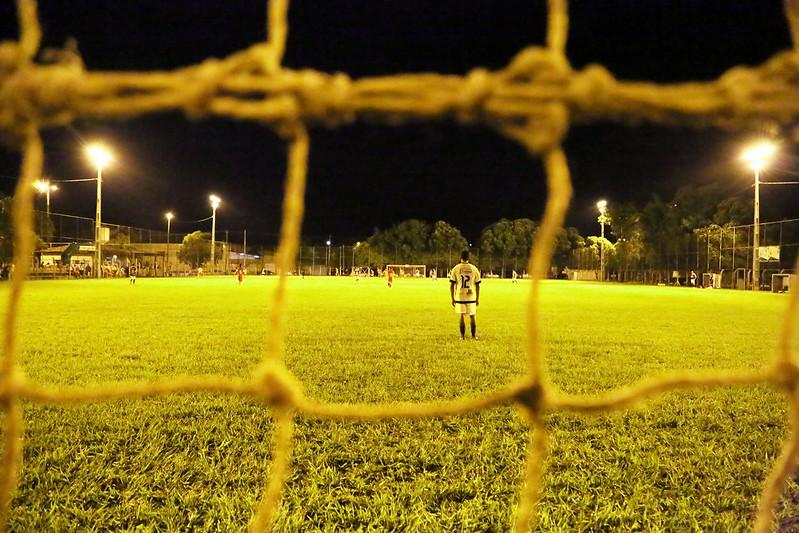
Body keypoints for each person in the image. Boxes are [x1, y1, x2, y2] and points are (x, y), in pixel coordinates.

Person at [450, 250, 481, 340]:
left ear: (461, 258)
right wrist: (477, 298)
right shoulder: (474, 269)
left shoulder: (456, 268)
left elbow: (452, 284)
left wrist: (452, 298)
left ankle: (462, 336)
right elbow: (478, 285)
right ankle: (473, 336)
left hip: (460, 295)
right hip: (471, 296)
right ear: (468, 258)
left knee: (462, 315)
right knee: (472, 315)